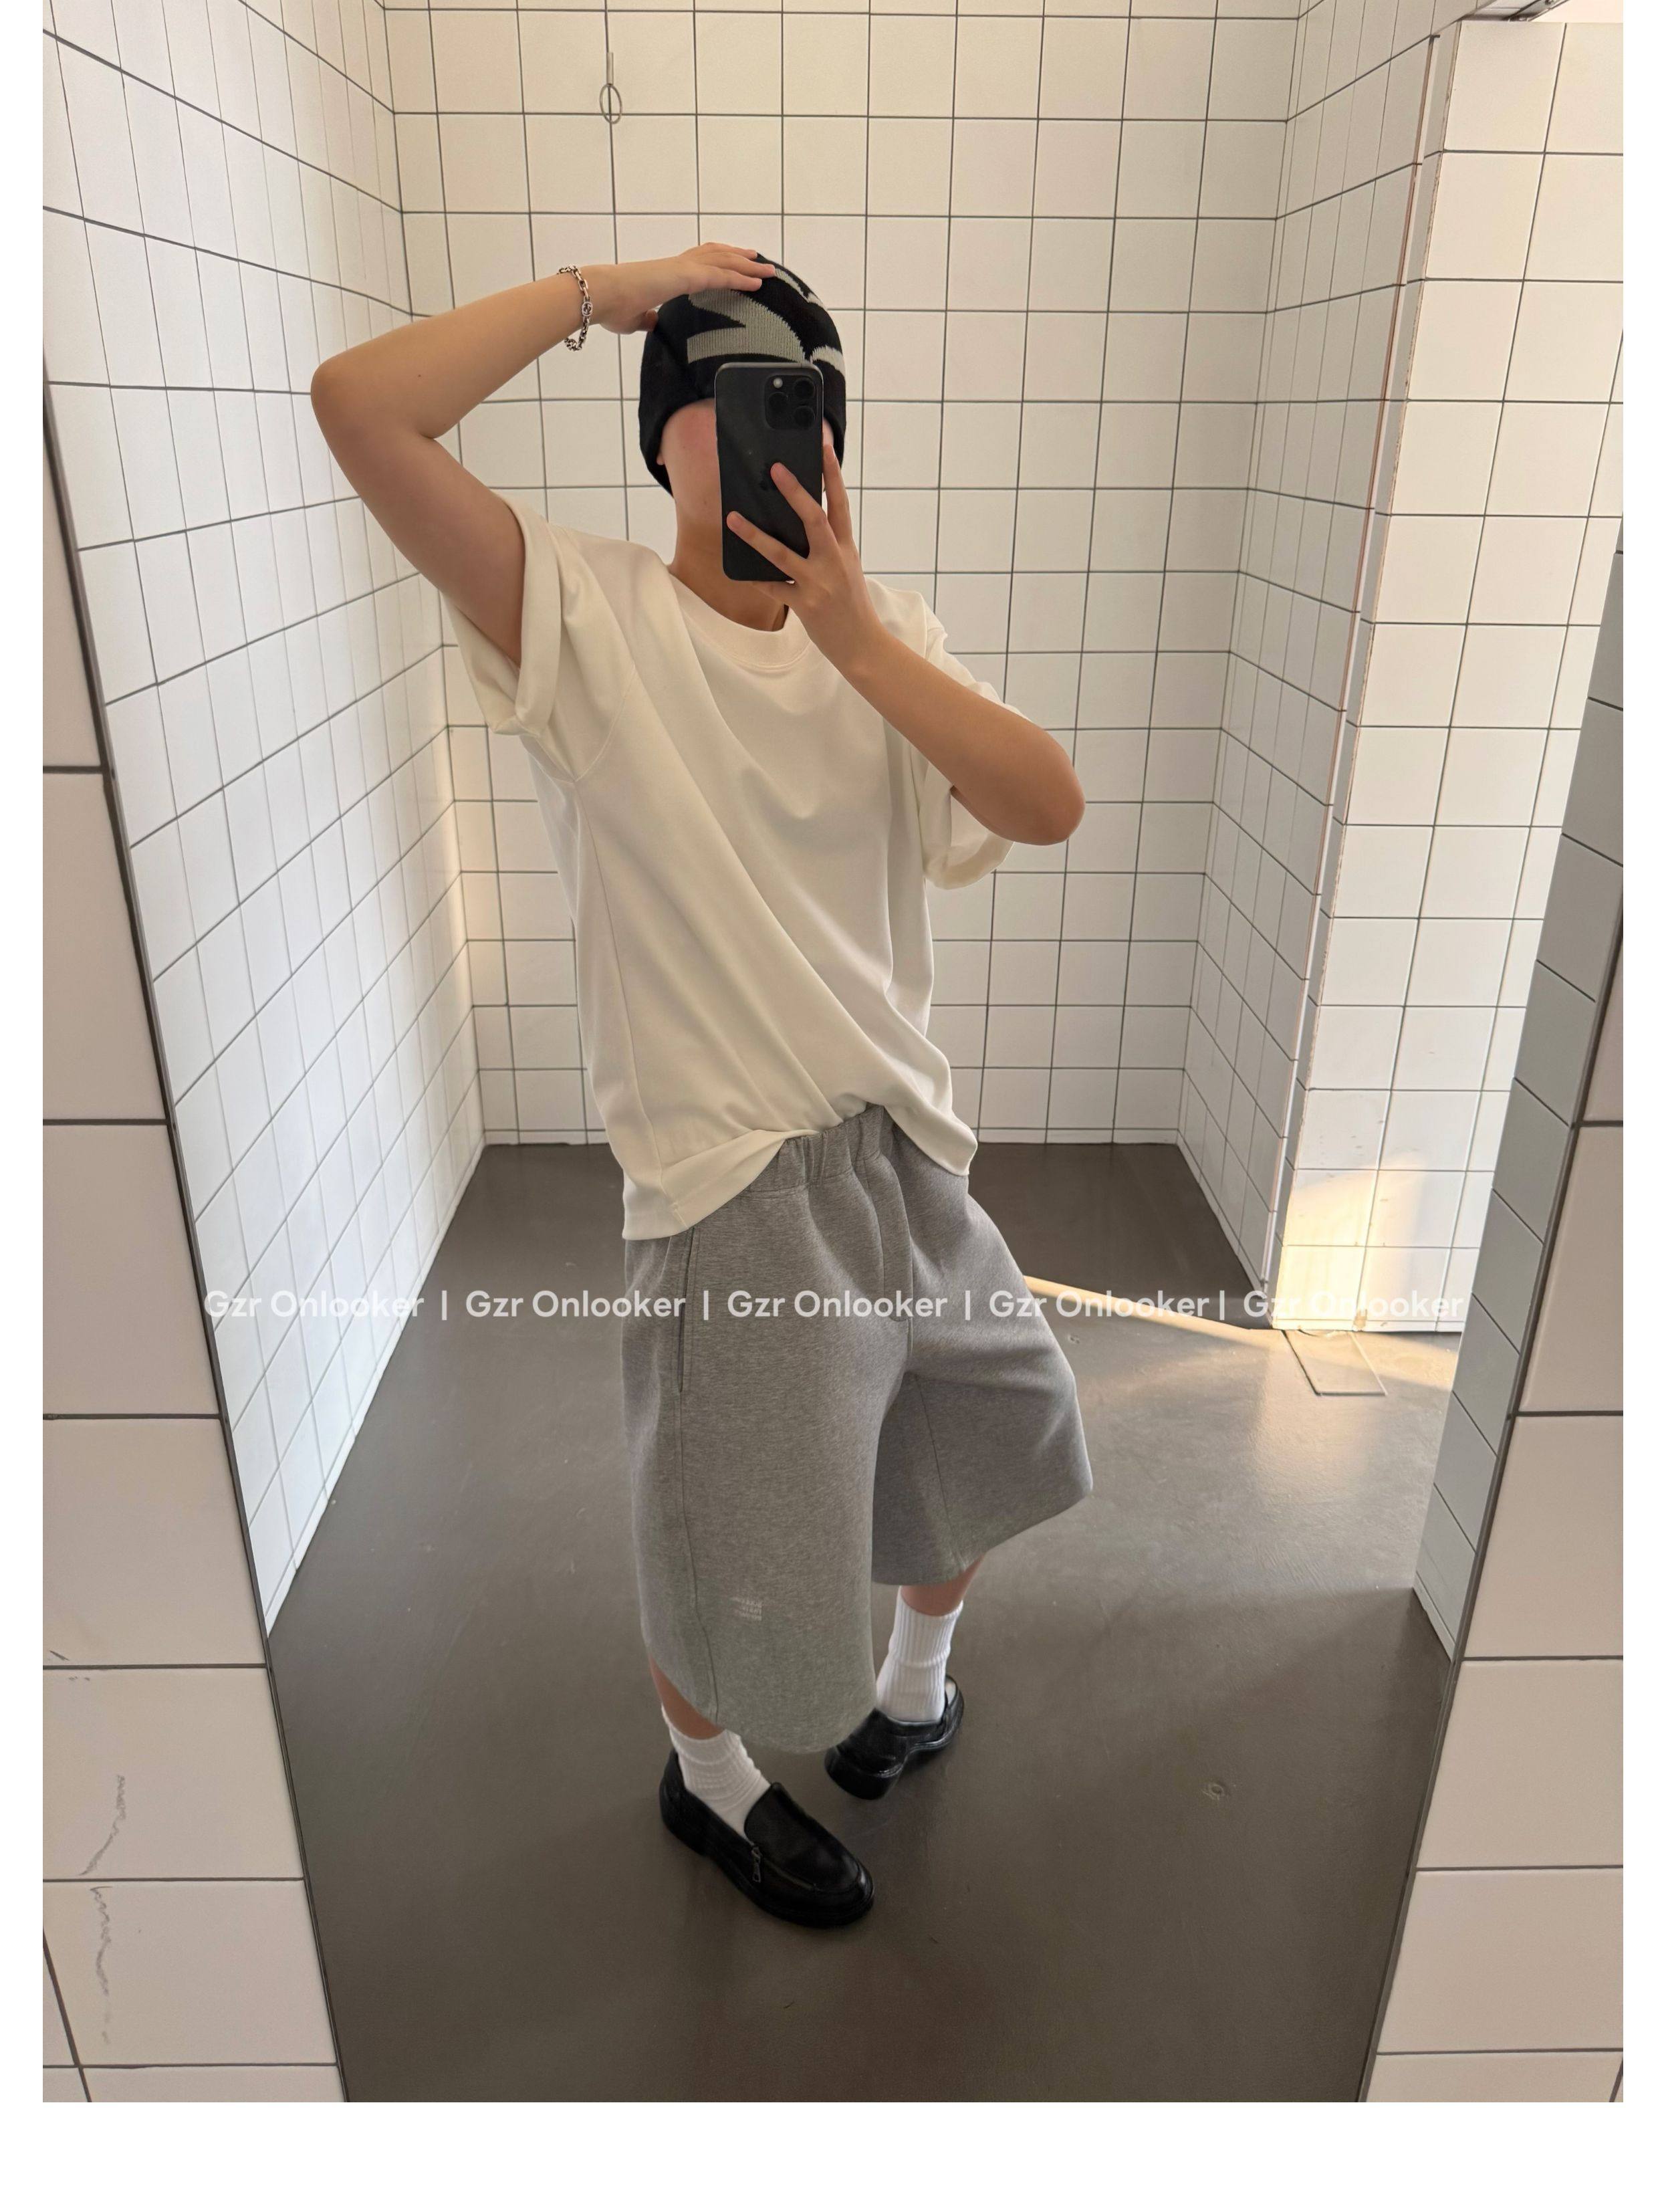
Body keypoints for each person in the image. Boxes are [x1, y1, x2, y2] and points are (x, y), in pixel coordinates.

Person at [311, 245, 1093, 1930]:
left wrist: (861, 642)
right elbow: (360, 408)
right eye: (727, 391)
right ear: (662, 432)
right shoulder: (582, 617)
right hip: (730, 1182)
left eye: (801, 397)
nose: (769, 427)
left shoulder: (888, 642)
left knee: (984, 1427)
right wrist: (605, 290)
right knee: (731, 1537)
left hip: (901, 1149)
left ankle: (916, 1691)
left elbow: (1048, 803)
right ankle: (712, 1776)